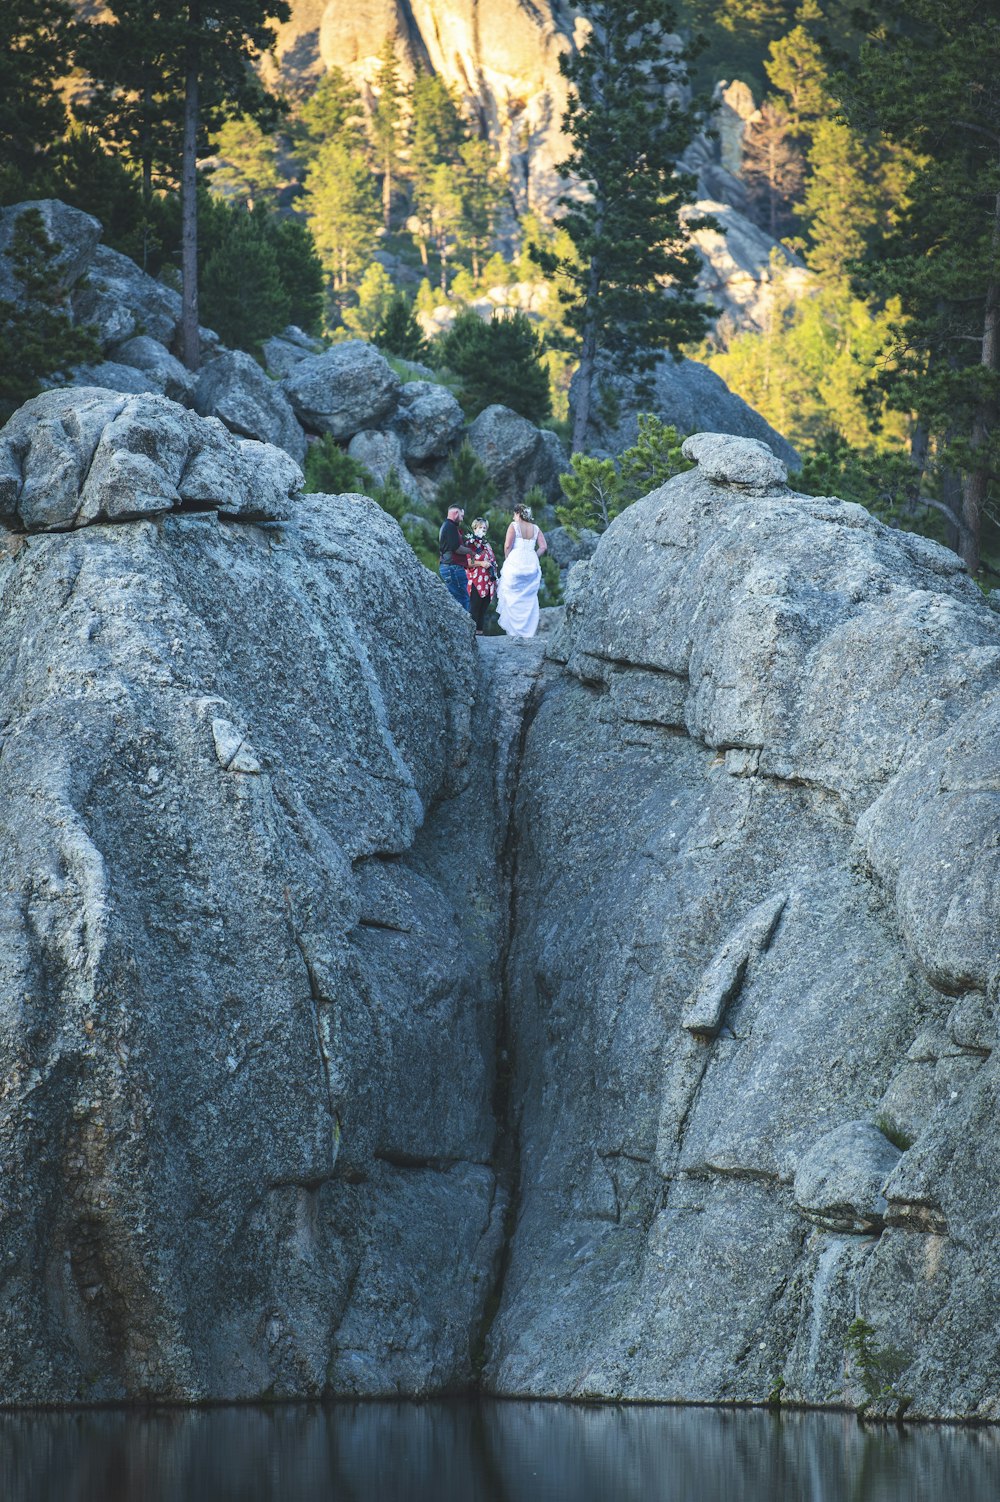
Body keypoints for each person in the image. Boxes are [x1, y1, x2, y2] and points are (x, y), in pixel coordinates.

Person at [497, 502, 547, 639]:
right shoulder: (535, 528)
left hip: (516, 561)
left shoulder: (514, 526)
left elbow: (507, 545)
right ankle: (528, 632)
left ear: (518, 513)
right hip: (531, 564)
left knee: (512, 595)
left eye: (514, 514)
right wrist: (533, 556)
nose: (513, 517)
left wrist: (508, 559)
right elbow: (543, 546)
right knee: (529, 598)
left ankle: (514, 632)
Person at [465, 517, 498, 635]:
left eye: (484, 528)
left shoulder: (486, 544)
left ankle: (479, 633)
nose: (483, 530)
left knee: (483, 608)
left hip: (488, 580)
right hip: (475, 579)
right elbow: (468, 562)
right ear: (475, 528)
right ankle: (471, 634)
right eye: (480, 527)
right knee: (475, 607)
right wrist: (481, 563)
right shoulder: (471, 543)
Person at [438, 505, 472, 611]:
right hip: (453, 567)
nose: (462, 519)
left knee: (457, 597)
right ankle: (464, 626)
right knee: (463, 598)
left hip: (448, 567)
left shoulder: (447, 526)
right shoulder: (450, 526)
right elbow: (456, 548)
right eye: (461, 516)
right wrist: (471, 552)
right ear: (456, 513)